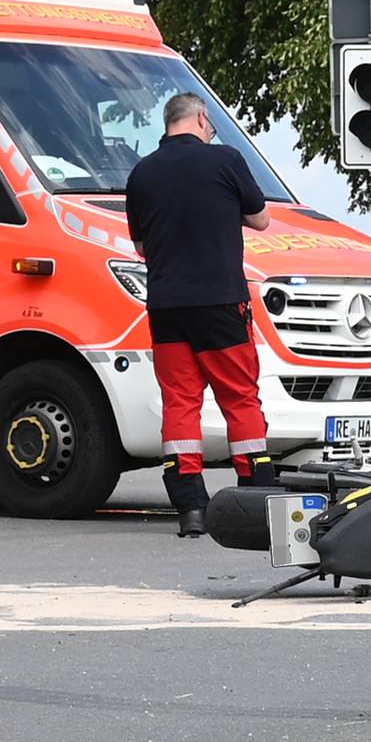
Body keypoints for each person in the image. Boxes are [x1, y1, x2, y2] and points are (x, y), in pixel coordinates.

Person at [124, 92, 273, 537]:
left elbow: (142, 248)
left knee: (181, 403)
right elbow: (261, 220)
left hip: (167, 306)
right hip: (220, 302)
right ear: (203, 119)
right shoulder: (224, 160)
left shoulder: (141, 173)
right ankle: (255, 495)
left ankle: (190, 506)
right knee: (239, 397)